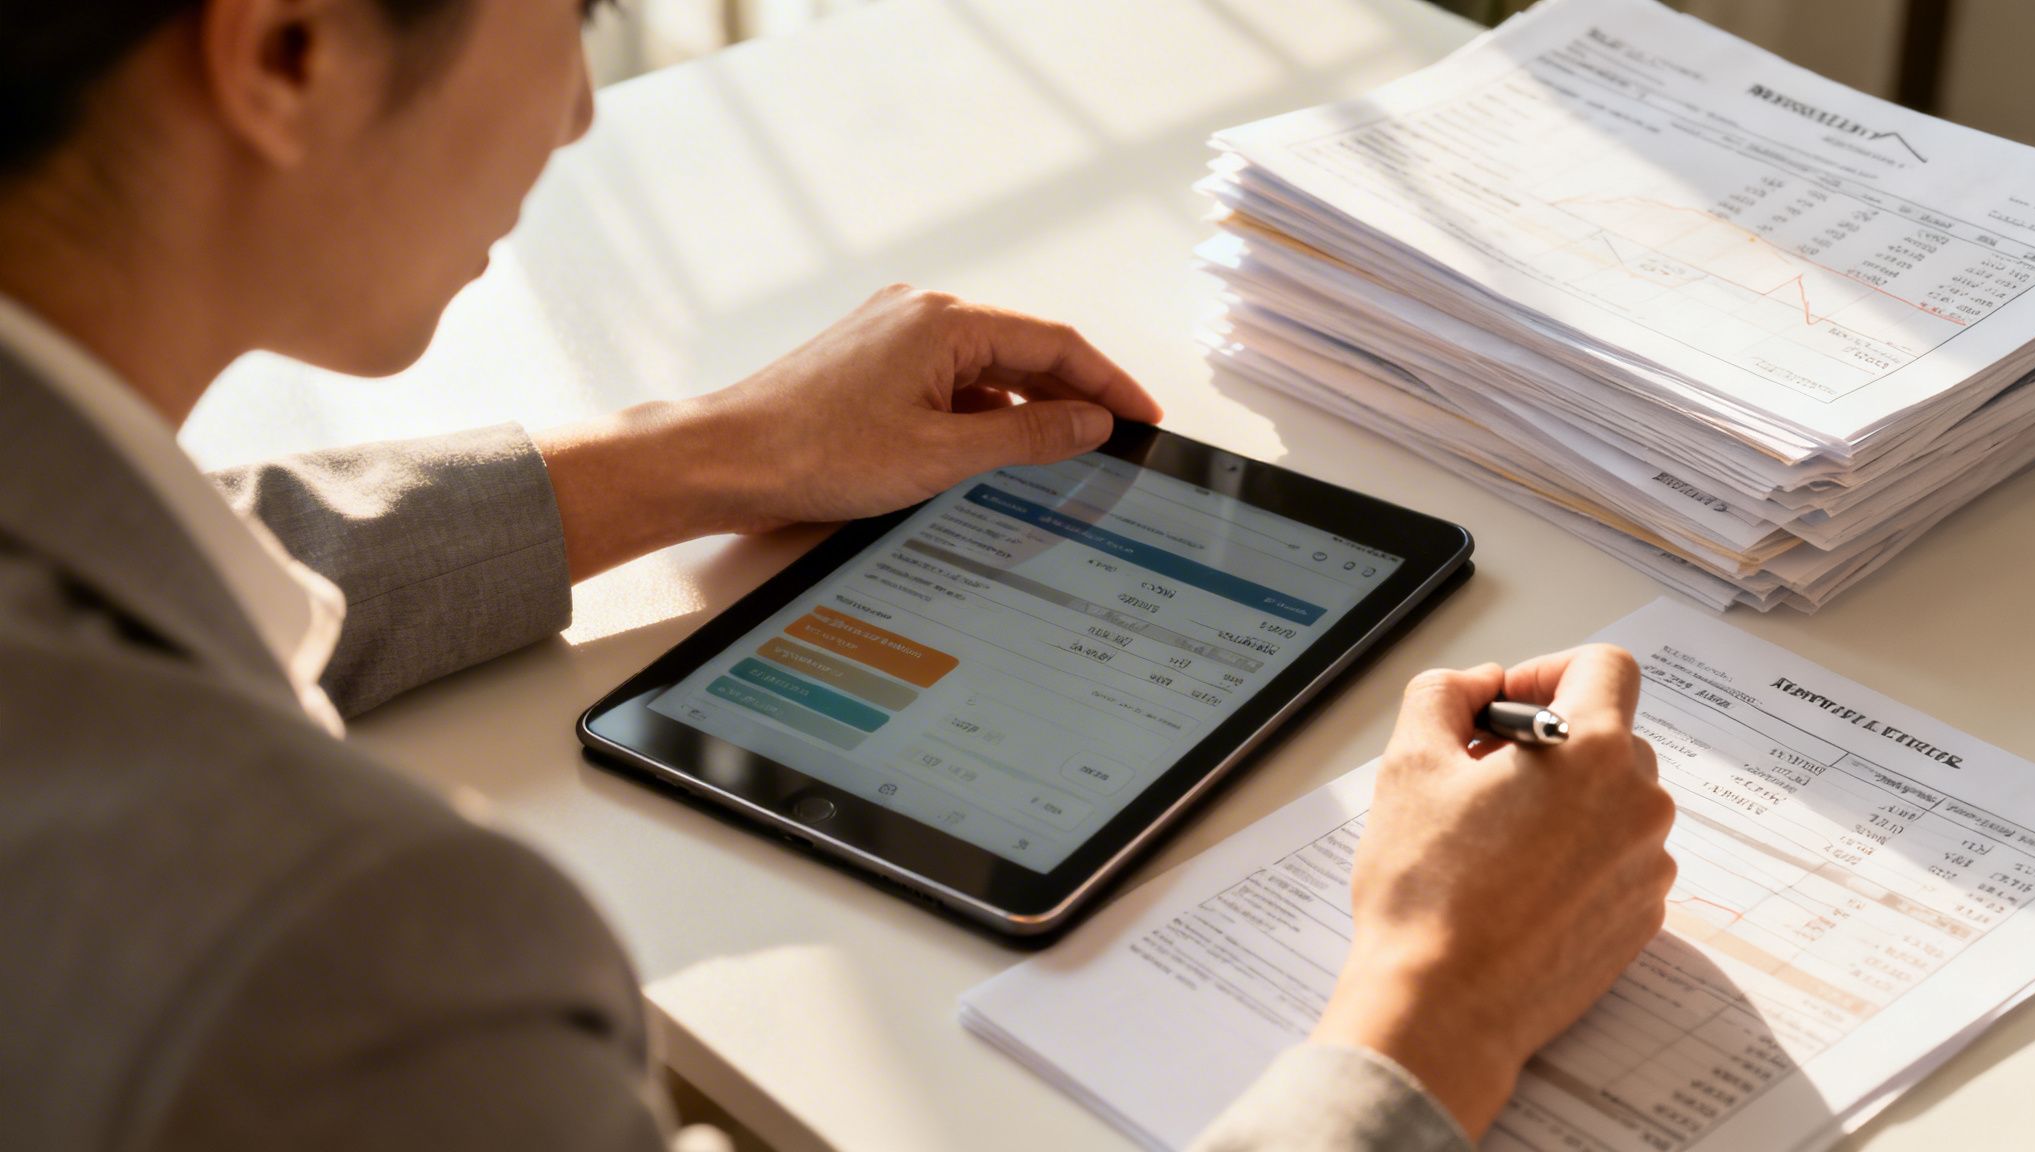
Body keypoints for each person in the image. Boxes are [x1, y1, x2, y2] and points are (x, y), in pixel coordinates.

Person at [0, 1, 1677, 1149]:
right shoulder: (352, 960)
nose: (585, 107)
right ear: (289, 48)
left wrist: (713, 451)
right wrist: (1433, 1013)